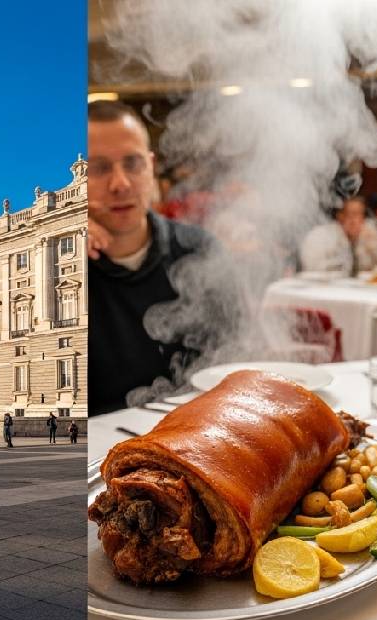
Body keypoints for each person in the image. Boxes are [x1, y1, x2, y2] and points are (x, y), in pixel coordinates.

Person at [87, 100, 224, 415]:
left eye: (132, 164)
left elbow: (239, 356)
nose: (120, 183)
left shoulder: (200, 251)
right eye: (98, 168)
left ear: (151, 168)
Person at [299, 195, 377, 276]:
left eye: (360, 215)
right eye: (351, 214)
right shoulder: (321, 236)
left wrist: (373, 246)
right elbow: (313, 268)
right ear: (340, 216)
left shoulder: (366, 235)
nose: (355, 220)